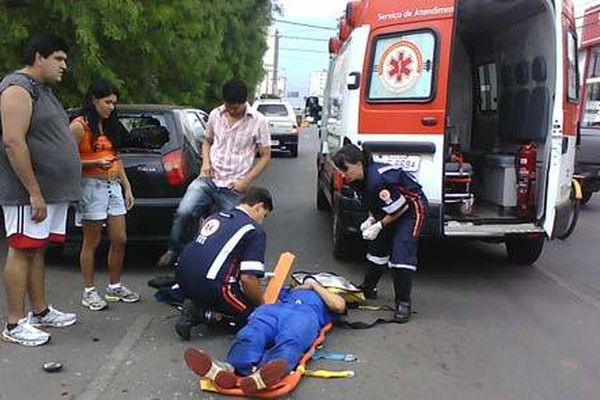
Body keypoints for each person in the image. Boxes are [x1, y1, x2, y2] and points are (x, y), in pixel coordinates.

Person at [0, 32, 80, 346]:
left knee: (37, 251)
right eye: (59, 59)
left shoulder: (41, 89)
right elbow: (13, 142)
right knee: (21, 249)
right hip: (27, 193)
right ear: (38, 57)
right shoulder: (17, 89)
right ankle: (14, 323)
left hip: (49, 192)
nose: (64, 66)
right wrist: (33, 191)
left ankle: (40, 311)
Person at [157, 79, 271, 268]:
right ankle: (176, 251)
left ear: (245, 102)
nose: (232, 110)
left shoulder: (259, 121)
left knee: (226, 229)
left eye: (236, 107)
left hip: (234, 187)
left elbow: (266, 155)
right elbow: (207, 142)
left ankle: (220, 266)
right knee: (185, 211)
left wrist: (246, 181)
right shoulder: (215, 114)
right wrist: (206, 164)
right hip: (208, 178)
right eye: (229, 106)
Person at [184, 276, 346, 396]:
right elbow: (265, 294)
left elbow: (338, 306)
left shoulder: (329, 295)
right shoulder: (288, 291)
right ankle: (231, 368)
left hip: (304, 315)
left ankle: (262, 371)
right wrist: (293, 287)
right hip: (274, 310)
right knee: (252, 332)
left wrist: (314, 285)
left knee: (291, 340)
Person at [332, 143, 428, 323]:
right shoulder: (356, 181)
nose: (343, 174)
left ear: (359, 163)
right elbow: (372, 203)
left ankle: (403, 303)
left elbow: (400, 209)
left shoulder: (378, 179)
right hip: (391, 209)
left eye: (345, 169)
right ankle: (369, 288)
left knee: (401, 252)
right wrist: (370, 220)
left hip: (411, 208)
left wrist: (379, 226)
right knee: (377, 249)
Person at [69, 79, 139, 311]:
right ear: (94, 99)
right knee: (92, 241)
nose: (111, 107)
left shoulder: (109, 125)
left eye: (114, 103)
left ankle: (114, 286)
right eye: (107, 102)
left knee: (120, 239)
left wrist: (126, 186)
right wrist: (94, 162)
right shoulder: (79, 126)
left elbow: (116, 158)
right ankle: (89, 291)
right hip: (91, 186)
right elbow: (66, 161)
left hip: (113, 186)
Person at [174, 186, 273, 340]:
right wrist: (262, 306)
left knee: (224, 293)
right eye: (264, 216)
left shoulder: (216, 216)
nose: (262, 221)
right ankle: (201, 314)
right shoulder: (253, 231)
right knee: (255, 320)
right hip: (212, 284)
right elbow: (248, 279)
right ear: (259, 206)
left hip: (182, 277)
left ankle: (198, 304)